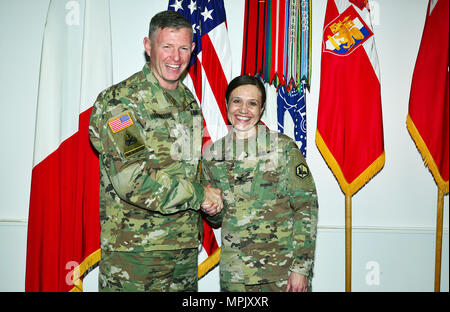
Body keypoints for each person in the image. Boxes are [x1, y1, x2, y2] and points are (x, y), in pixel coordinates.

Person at [89, 10, 223, 292]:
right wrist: (200, 196)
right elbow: (132, 180)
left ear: (193, 49)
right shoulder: (120, 102)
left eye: (184, 48)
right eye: (167, 47)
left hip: (183, 254)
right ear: (148, 46)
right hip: (136, 258)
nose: (176, 57)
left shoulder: (187, 101)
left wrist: (213, 204)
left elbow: (191, 168)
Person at [201, 75, 318, 292]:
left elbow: (306, 207)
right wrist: (210, 208)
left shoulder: (283, 148)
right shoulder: (212, 154)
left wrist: (301, 268)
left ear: (261, 108)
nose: (243, 109)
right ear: (226, 104)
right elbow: (216, 219)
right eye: (237, 101)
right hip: (235, 275)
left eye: (252, 103)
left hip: (280, 273)